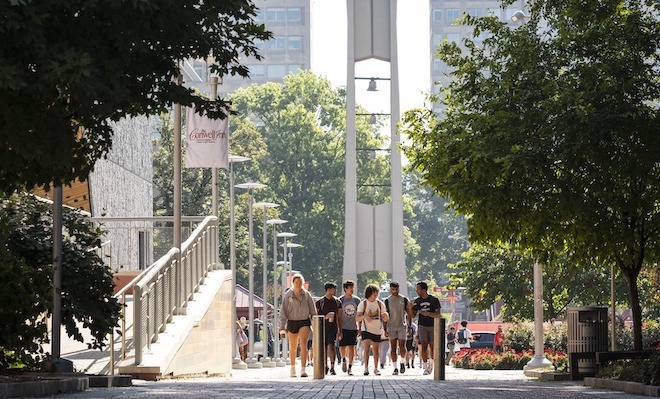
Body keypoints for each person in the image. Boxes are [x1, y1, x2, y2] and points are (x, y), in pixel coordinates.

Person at [279, 273, 317, 378]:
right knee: (293, 346)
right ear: (293, 283)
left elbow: (313, 310)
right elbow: (283, 311)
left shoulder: (307, 295)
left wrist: (315, 323)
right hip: (292, 321)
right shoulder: (288, 295)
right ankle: (292, 367)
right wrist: (282, 325)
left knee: (303, 345)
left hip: (304, 321)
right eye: (296, 282)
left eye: (300, 282)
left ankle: (303, 369)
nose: (299, 284)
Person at [356, 283, 389, 376]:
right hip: (365, 329)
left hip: (377, 329)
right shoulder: (363, 304)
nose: (376, 294)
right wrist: (364, 317)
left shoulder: (380, 303)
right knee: (366, 348)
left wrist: (385, 317)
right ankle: (366, 368)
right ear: (370, 293)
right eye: (375, 292)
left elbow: (385, 317)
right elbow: (357, 318)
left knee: (376, 350)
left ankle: (376, 368)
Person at [411, 281, 441, 375]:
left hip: (433, 325)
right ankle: (425, 367)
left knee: (432, 346)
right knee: (423, 345)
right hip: (422, 325)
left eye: (418, 289)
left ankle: (431, 364)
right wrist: (409, 308)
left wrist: (427, 313)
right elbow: (412, 315)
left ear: (423, 290)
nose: (416, 290)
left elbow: (438, 314)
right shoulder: (417, 301)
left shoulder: (434, 300)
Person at [384, 281, 413, 375]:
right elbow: (385, 316)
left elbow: (409, 314)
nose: (395, 291)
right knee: (393, 347)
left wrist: (409, 326)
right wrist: (385, 329)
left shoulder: (404, 299)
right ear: (390, 290)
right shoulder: (387, 301)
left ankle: (402, 362)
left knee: (402, 346)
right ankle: (395, 367)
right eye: (393, 289)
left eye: (396, 289)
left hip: (402, 326)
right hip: (391, 326)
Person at [315, 282, 343, 375]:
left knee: (332, 346)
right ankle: (324, 365)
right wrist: (325, 316)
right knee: (323, 347)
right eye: (333, 289)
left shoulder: (337, 302)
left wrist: (340, 329)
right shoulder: (320, 302)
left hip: (333, 327)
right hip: (322, 327)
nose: (335, 291)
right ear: (328, 290)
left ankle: (332, 366)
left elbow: (339, 316)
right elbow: (316, 316)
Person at [338, 280, 360, 375]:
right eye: (350, 287)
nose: (352, 289)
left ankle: (350, 367)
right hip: (343, 327)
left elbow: (360, 314)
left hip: (353, 327)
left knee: (352, 347)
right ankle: (343, 360)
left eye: (353, 287)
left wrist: (360, 327)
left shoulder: (356, 300)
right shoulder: (340, 300)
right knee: (342, 346)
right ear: (345, 289)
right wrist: (338, 328)